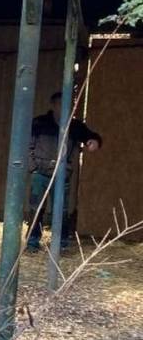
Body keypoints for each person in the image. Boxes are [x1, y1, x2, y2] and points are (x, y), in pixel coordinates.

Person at [26, 91, 102, 252]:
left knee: (61, 210)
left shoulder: (75, 126)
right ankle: (32, 242)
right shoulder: (39, 123)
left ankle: (60, 244)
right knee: (36, 208)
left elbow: (91, 136)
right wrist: (32, 168)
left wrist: (94, 141)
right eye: (61, 104)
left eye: (69, 105)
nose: (65, 108)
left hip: (62, 174)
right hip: (40, 173)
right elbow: (27, 146)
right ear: (53, 105)